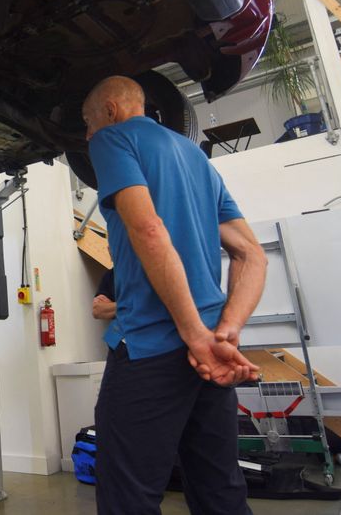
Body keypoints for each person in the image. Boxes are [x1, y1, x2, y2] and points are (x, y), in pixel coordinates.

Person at [81, 76, 267, 515]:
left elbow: (148, 229)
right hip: (212, 357)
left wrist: (193, 334)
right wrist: (224, 333)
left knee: (129, 495)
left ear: (110, 110)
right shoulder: (196, 157)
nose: (86, 137)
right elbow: (251, 254)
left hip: (150, 346)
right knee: (218, 486)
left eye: (86, 124)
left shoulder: (112, 139)